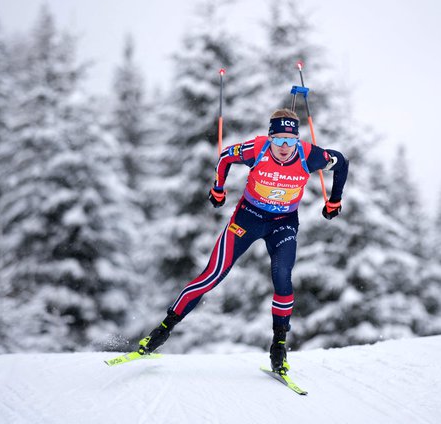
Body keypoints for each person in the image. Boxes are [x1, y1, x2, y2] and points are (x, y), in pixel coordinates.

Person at [137, 108, 349, 373]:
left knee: (282, 277)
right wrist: (218, 189)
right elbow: (225, 157)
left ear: (298, 140)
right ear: (270, 138)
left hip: (283, 224)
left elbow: (341, 162)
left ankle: (279, 347)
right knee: (212, 275)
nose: (284, 147)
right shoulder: (256, 149)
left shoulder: (311, 155)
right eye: (279, 140)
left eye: (290, 140)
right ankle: (162, 331)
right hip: (247, 219)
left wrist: (335, 200)